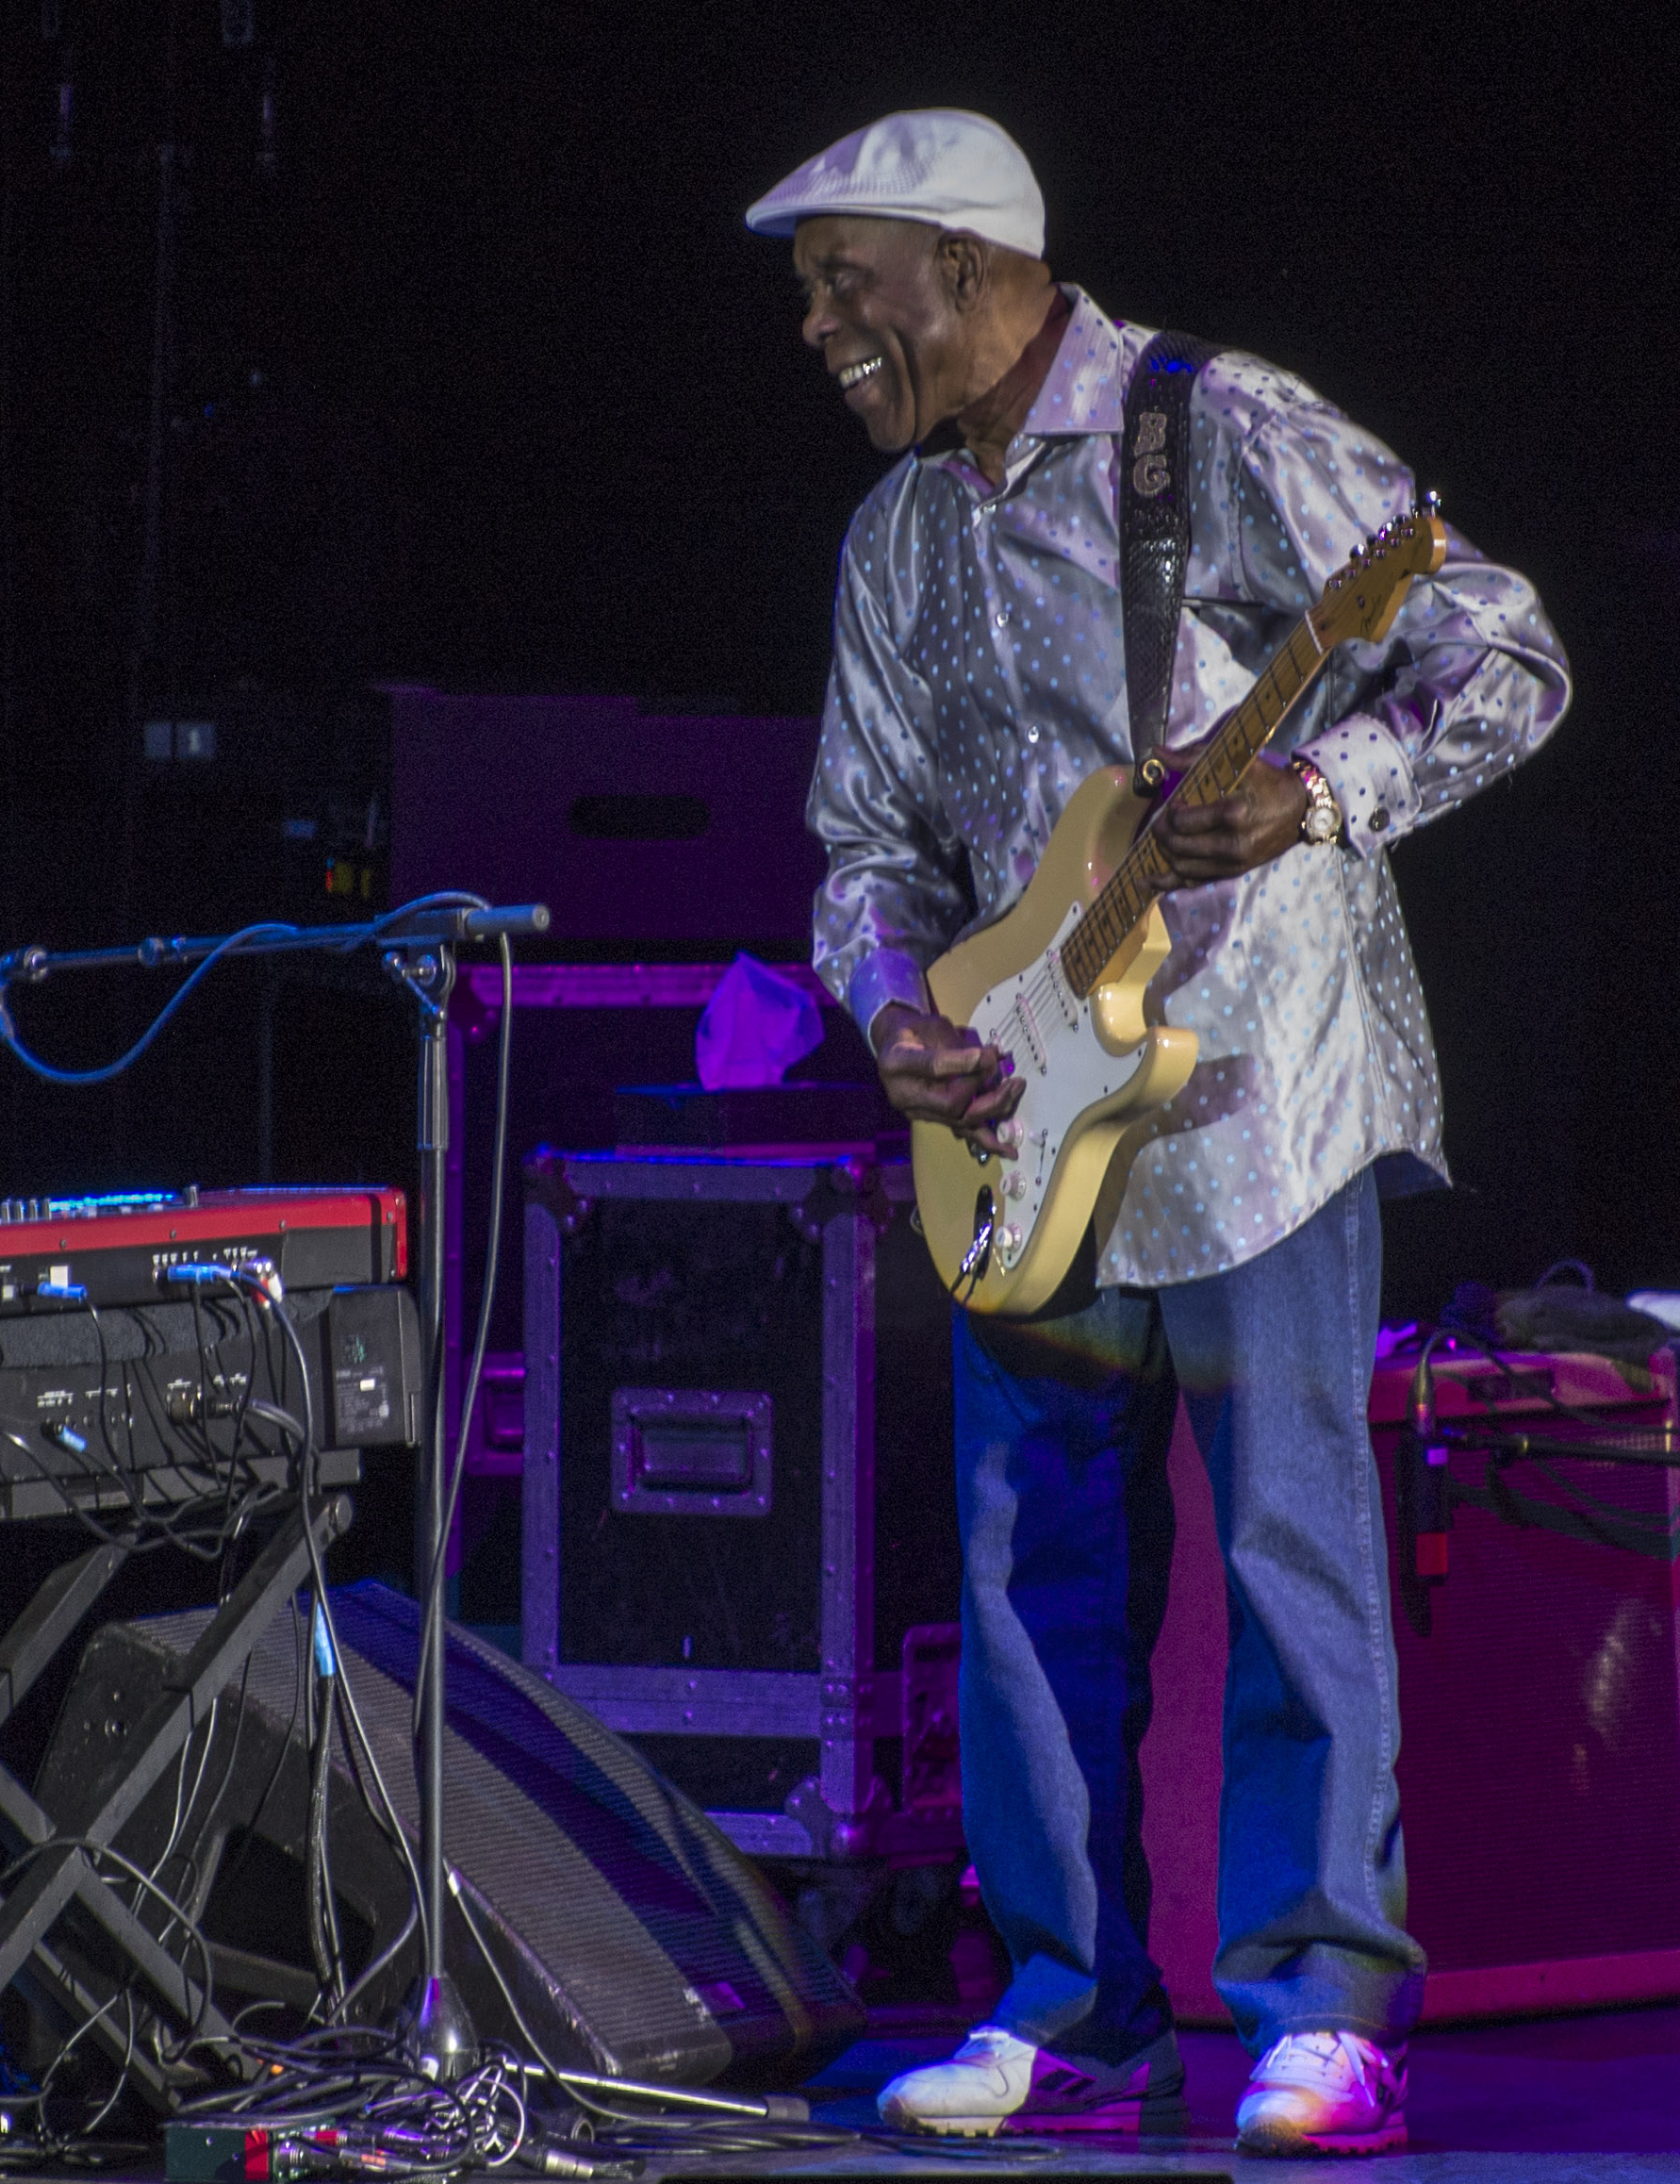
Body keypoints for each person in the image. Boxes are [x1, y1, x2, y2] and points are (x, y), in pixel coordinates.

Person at [745, 112, 1568, 2157]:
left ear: (967, 264)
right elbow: (865, 848)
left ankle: (1327, 2009)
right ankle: (1075, 2013)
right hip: (1026, 1122)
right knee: (1030, 1567)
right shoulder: (896, 537)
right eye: (809, 296)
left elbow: (1505, 646)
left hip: (1259, 1093)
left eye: (845, 283)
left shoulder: (1215, 429)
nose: (818, 327)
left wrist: (1323, 788)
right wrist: (896, 1012)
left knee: (1290, 1544)